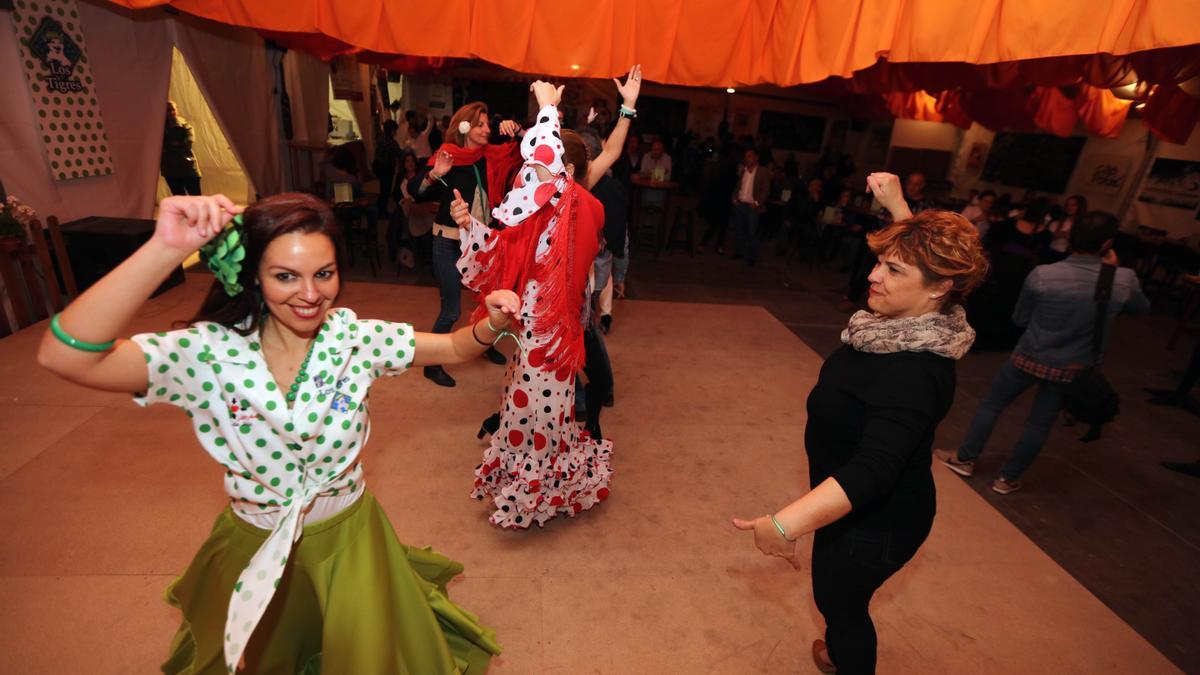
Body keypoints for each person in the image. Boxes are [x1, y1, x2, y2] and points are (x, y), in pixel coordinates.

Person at [36, 192, 508, 673]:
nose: (309, 294)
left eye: (323, 273)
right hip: (257, 542)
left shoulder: (355, 338)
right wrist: (165, 248)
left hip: (351, 540)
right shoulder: (208, 355)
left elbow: (453, 346)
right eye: (286, 275)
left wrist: (492, 322)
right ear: (254, 277)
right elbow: (64, 355)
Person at [734, 173, 988, 675]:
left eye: (893, 270)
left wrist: (784, 526)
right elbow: (926, 261)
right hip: (854, 508)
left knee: (841, 606)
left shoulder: (915, 371)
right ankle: (838, 645)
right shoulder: (913, 324)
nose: (874, 276)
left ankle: (845, 655)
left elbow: (872, 470)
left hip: (878, 520)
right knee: (839, 599)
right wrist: (900, 208)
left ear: (938, 289)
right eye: (879, 263)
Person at [453, 80, 615, 529]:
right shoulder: (567, 204)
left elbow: (543, 166)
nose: (529, 178)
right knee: (529, 404)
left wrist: (548, 108)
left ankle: (537, 492)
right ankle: (532, 479)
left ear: (562, 170)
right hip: (540, 328)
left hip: (548, 332)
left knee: (538, 410)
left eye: (541, 171)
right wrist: (471, 227)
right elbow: (505, 248)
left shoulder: (575, 202)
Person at [937, 211, 1151, 494]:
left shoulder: (1044, 275)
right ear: (1108, 243)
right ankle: (1007, 479)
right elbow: (1143, 309)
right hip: (1071, 366)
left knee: (992, 405)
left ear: (1071, 236)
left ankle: (965, 459)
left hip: (1029, 355)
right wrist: (1115, 269)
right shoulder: (1123, 280)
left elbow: (1020, 319)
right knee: (1040, 422)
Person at [408, 102, 523, 386]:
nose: (486, 129)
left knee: (489, 303)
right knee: (451, 310)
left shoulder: (490, 156)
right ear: (464, 127)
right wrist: (435, 173)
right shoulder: (447, 156)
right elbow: (415, 191)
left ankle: (484, 344)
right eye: (479, 125)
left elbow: (525, 153)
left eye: (487, 124)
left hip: (483, 244)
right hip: (448, 242)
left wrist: (518, 131)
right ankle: (431, 364)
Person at [729, 147, 771, 267]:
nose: (747, 158)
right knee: (738, 230)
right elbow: (738, 186)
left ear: (756, 157)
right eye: (746, 156)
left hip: (752, 207)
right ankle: (739, 252)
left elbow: (765, 191)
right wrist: (734, 197)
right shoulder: (743, 170)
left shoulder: (763, 172)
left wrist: (757, 203)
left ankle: (752, 257)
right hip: (740, 204)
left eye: (749, 156)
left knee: (752, 232)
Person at [162, 101, 202, 196]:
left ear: (177, 110)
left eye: (173, 109)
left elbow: (187, 144)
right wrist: (173, 145)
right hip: (170, 170)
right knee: (180, 201)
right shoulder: (160, 128)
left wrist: (168, 147)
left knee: (196, 199)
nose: (171, 112)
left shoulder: (185, 127)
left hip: (188, 168)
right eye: (168, 110)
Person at [373, 119, 403, 218]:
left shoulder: (380, 139)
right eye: (395, 130)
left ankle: (378, 205)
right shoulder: (392, 143)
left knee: (383, 188)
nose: (396, 132)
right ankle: (382, 211)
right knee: (386, 190)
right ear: (391, 130)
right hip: (387, 168)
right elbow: (399, 154)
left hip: (378, 166)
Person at [1048, 194, 1087, 259]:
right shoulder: (1058, 222)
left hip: (1070, 257)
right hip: (1053, 253)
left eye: (1074, 205)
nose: (1069, 207)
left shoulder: (1084, 224)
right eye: (1067, 204)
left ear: (1080, 207)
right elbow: (1049, 238)